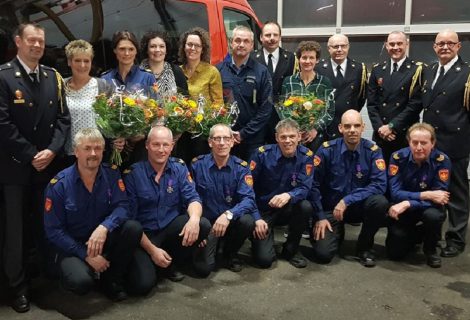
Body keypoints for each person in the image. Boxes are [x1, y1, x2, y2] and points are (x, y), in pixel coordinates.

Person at [0, 22, 70, 312]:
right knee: (14, 233)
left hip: (46, 168)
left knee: (46, 226)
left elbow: (63, 119)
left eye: (41, 41)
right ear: (18, 42)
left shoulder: (53, 77)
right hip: (14, 169)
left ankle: (46, 278)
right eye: (31, 40)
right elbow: (2, 123)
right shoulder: (3, 77)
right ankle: (17, 287)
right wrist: (32, 154)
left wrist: (51, 151)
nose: (37, 46)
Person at [44, 128, 143, 300]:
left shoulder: (112, 174)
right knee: (82, 283)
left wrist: (104, 227)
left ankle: (112, 279)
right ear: (76, 151)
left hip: (102, 239)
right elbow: (54, 231)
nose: (93, 153)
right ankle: (80, 272)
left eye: (98, 148)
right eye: (87, 148)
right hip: (73, 246)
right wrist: (85, 255)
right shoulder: (59, 185)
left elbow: (123, 206)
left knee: (132, 228)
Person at [124, 126, 211, 287]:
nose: (161, 150)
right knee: (143, 285)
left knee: (202, 224)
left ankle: (172, 263)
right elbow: (130, 221)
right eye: (156, 144)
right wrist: (152, 250)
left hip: (169, 229)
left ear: (172, 146)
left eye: (165, 145)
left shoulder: (179, 167)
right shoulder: (133, 174)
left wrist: (193, 220)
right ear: (147, 145)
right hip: (144, 236)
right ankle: (155, 262)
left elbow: (193, 198)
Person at [309, 110, 388, 267]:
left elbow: (379, 184)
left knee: (379, 202)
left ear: (363, 127)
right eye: (347, 126)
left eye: (356, 126)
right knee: (323, 254)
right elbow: (313, 185)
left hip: (358, 207)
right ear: (340, 128)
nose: (352, 130)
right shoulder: (326, 151)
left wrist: (347, 200)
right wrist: (319, 216)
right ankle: (336, 232)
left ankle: (364, 248)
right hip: (331, 209)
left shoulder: (373, 152)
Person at [422, 29, 470, 258]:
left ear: (458, 46)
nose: (445, 47)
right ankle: (432, 236)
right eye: (440, 43)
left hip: (455, 141)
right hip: (431, 144)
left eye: (450, 43)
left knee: (457, 194)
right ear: (434, 47)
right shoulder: (429, 71)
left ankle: (456, 239)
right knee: (432, 190)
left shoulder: (467, 73)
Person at [191, 124, 256, 276]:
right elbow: (189, 198)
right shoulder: (197, 165)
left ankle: (229, 254)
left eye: (226, 138)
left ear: (232, 142)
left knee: (247, 221)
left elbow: (249, 199)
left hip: (229, 222)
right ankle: (211, 247)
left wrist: (228, 215)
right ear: (209, 142)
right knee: (203, 270)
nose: (221, 143)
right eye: (217, 138)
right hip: (207, 225)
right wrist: (198, 231)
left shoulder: (242, 168)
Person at [249, 118, 314, 268]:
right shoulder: (261, 155)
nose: (288, 141)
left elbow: (305, 187)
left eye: (292, 136)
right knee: (264, 260)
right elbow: (248, 189)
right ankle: (259, 241)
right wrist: (256, 218)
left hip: (287, 208)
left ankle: (291, 249)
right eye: (283, 137)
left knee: (305, 206)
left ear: (299, 137)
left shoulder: (307, 156)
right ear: (276, 138)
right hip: (264, 210)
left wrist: (289, 195)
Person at [386, 123, 451, 268]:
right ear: (409, 142)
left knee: (433, 216)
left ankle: (431, 250)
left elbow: (440, 198)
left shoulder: (442, 161)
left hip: (426, 208)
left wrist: (409, 202)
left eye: (424, 143)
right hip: (404, 210)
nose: (419, 147)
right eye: (415, 142)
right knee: (395, 253)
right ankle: (418, 234)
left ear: (432, 143)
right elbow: (396, 194)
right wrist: (426, 194)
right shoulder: (397, 158)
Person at [217, 25, 273, 160]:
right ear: (231, 42)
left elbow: (266, 108)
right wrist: (225, 132)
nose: (241, 44)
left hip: (253, 140)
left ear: (252, 45)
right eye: (237, 40)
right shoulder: (218, 70)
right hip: (224, 140)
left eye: (246, 41)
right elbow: (212, 104)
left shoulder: (262, 72)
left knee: (251, 178)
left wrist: (243, 133)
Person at [101, 31, 156, 167]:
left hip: (141, 146)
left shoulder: (147, 77)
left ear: (136, 51)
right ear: (115, 50)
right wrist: (113, 138)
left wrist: (142, 133)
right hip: (115, 147)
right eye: (122, 49)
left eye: (131, 49)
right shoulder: (105, 79)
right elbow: (101, 114)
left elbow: (156, 112)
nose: (126, 53)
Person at [367, 31, 423, 163]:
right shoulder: (377, 69)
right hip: (381, 135)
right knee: (380, 175)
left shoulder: (417, 70)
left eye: (399, 43)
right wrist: (381, 128)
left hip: (404, 134)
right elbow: (371, 104)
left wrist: (391, 126)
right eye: (392, 44)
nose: (395, 47)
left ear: (406, 44)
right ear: (386, 46)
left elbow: (415, 105)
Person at [63, 39, 117, 166]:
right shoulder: (60, 87)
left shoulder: (102, 86)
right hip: (69, 153)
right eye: (77, 60)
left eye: (86, 61)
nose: (82, 65)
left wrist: (117, 138)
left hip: (96, 152)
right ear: (69, 62)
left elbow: (112, 119)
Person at [176, 27, 223, 164]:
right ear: (184, 47)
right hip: (181, 131)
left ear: (203, 49)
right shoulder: (177, 71)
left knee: (200, 166)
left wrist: (210, 124)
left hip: (202, 131)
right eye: (189, 44)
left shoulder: (211, 72)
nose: (193, 48)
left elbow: (218, 103)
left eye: (197, 45)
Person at [281, 40, 334, 152]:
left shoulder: (325, 82)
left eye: (311, 58)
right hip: (293, 138)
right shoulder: (288, 81)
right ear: (299, 59)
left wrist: (315, 129)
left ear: (317, 60)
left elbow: (329, 112)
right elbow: (283, 109)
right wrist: (295, 129)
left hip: (316, 138)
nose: (307, 61)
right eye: (304, 57)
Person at [315, 34, 367, 140]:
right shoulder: (318, 68)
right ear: (329, 49)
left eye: (343, 46)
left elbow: (361, 97)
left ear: (348, 47)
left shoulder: (359, 69)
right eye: (335, 46)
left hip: (348, 126)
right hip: (326, 127)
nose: (339, 49)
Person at [252, 21, 296, 143]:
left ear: (280, 37)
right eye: (268, 35)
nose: (272, 38)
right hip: (258, 116)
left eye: (275, 35)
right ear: (261, 37)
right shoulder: (252, 58)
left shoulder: (291, 58)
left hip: (280, 118)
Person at [140, 30, 188, 97]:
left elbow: (185, 99)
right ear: (146, 50)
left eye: (162, 46)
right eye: (153, 46)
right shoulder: (137, 72)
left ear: (166, 50)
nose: (157, 50)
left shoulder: (176, 71)